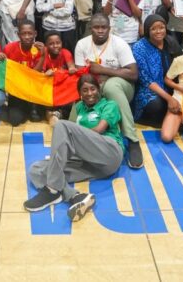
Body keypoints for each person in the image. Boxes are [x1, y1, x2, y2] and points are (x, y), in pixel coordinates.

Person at [24, 73, 122, 222]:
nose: (89, 93)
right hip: (92, 164)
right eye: (85, 90)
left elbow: (99, 129)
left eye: (93, 89)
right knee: (36, 169)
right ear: (79, 93)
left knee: (62, 125)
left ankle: (52, 190)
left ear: (99, 89)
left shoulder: (109, 105)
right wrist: (60, 155)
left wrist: (71, 141)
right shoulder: (78, 107)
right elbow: (68, 138)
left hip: (109, 154)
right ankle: (75, 197)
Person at [73, 14, 143, 168]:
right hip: (94, 88)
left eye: (104, 27)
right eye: (96, 27)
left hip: (121, 87)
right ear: (90, 28)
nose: (100, 31)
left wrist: (103, 70)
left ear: (109, 28)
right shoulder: (82, 45)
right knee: (81, 92)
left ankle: (132, 140)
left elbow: (133, 74)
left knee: (111, 86)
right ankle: (75, 138)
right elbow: (81, 76)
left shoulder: (119, 43)